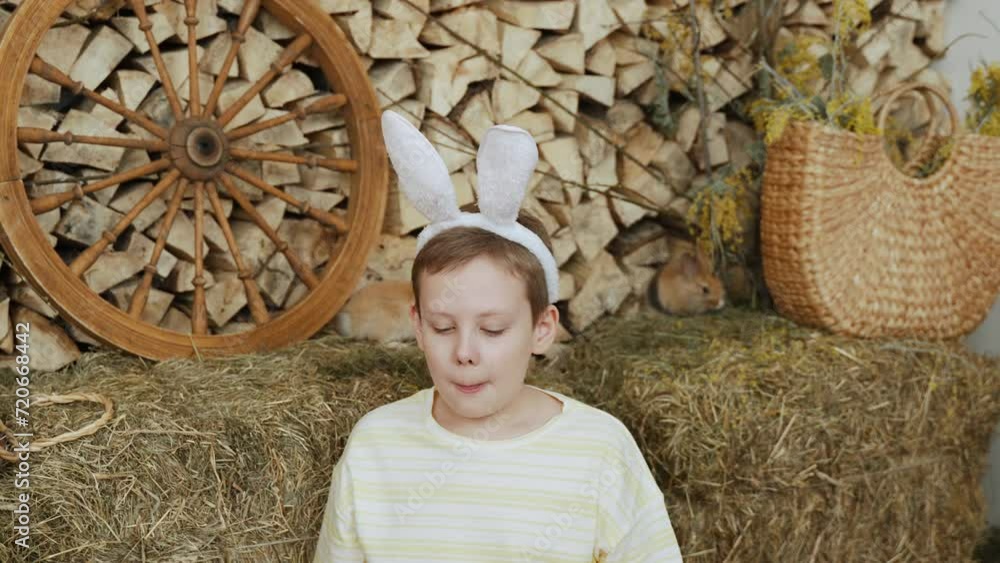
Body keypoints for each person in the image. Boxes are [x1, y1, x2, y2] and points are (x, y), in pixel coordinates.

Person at [312, 111, 683, 563]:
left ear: (542, 329)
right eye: (443, 327)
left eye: (492, 329)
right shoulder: (375, 448)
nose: (464, 353)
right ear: (417, 325)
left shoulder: (601, 452)